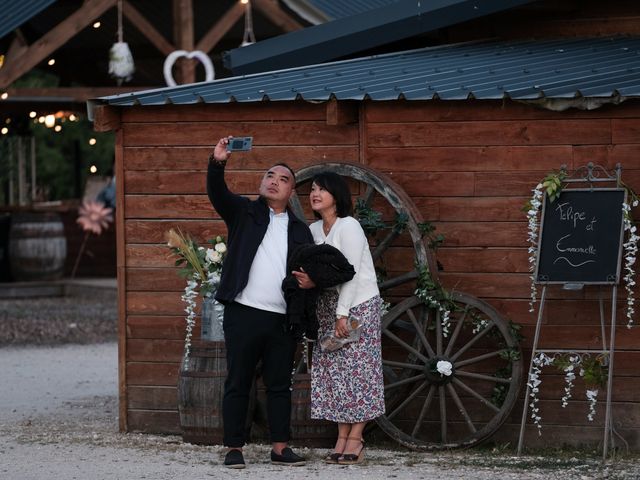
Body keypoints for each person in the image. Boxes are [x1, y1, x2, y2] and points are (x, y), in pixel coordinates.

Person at [207, 136, 313, 469]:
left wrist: (311, 281)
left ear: (291, 193)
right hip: (244, 313)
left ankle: (280, 447)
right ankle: (234, 448)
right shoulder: (243, 212)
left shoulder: (300, 230)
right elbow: (217, 192)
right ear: (261, 182)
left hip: (283, 319)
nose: (274, 181)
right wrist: (218, 161)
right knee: (238, 380)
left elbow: (310, 274)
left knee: (280, 385)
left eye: (283, 179)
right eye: (270, 175)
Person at [293, 171, 385, 465]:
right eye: (313, 190)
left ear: (337, 195)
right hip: (326, 307)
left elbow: (352, 274)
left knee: (359, 372)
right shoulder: (315, 230)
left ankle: (356, 439)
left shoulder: (350, 226)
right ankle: (341, 437)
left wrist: (342, 314)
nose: (315, 194)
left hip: (357, 304)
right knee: (335, 374)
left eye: (322, 189)